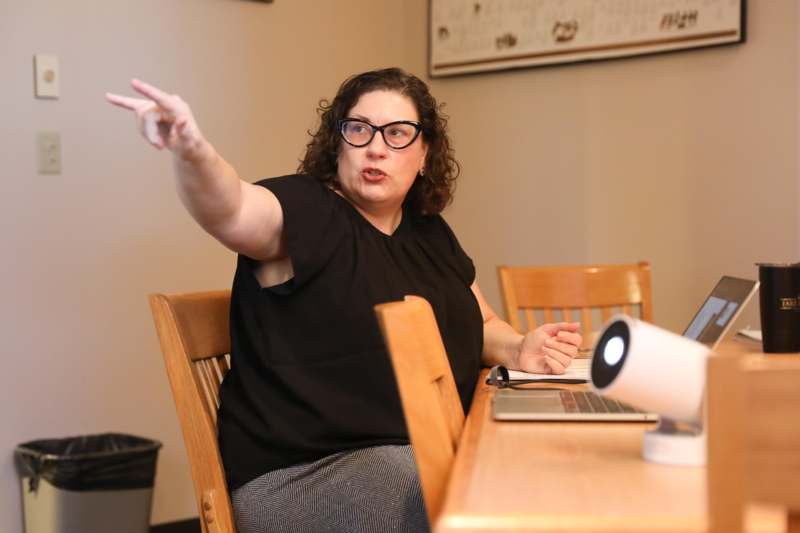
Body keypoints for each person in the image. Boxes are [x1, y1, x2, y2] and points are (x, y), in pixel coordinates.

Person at [106, 68, 582, 533]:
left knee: (526, 470)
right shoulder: (305, 210)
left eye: (398, 133)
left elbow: (482, 323)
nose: (376, 146)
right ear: (338, 142)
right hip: (299, 477)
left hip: (419, 454)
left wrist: (519, 348)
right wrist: (191, 150)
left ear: (424, 153)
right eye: (359, 129)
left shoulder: (430, 233)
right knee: (471, 496)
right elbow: (229, 208)